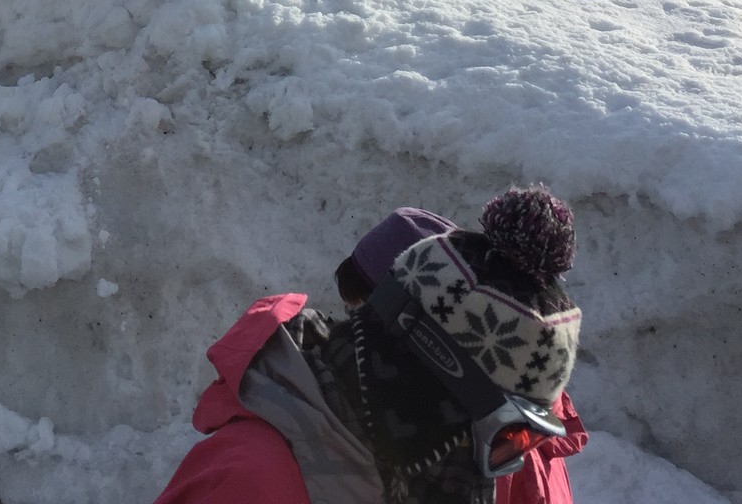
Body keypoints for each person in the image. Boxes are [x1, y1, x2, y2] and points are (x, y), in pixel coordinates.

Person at [151, 187, 583, 504]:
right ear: (427, 386)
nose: (509, 465)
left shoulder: (424, 479)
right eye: (511, 433)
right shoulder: (251, 483)